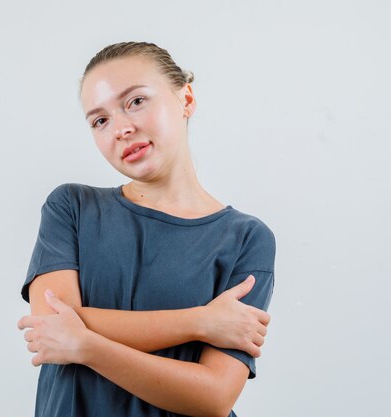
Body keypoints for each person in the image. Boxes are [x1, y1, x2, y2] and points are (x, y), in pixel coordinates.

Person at [17, 41, 276, 417]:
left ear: (185, 99)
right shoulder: (71, 208)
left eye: (136, 101)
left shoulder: (245, 238)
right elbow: (49, 325)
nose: (121, 128)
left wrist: (86, 345)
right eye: (99, 120)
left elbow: (215, 396)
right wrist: (200, 321)